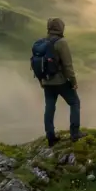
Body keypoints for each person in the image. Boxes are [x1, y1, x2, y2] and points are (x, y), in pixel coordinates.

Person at [34, 17, 82, 146]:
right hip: (60, 81)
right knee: (74, 102)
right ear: (61, 28)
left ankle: (50, 137)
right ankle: (75, 133)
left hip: (46, 82)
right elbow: (67, 66)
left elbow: (37, 64)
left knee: (49, 107)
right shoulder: (61, 42)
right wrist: (73, 82)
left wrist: (41, 81)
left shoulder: (42, 42)